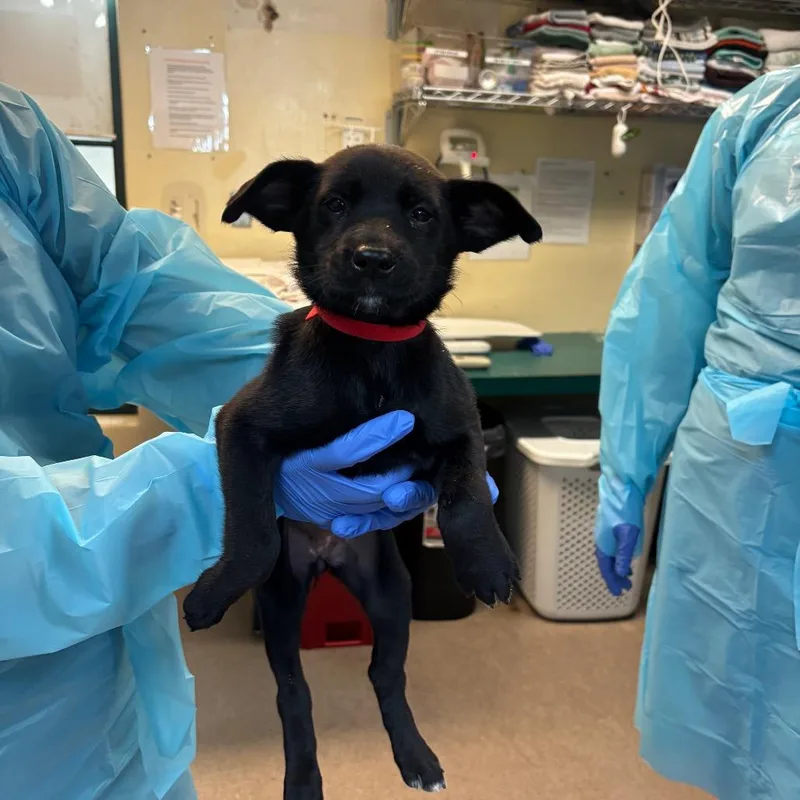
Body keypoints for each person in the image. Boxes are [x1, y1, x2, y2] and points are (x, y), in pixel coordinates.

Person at [0, 83, 445, 799]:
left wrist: (320, 381)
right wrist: (217, 486)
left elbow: (140, 281)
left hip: (108, 690)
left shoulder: (9, 133)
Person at [595, 68, 800, 799]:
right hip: (744, 466)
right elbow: (671, 296)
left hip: (747, 442)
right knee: (742, 689)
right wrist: (625, 477)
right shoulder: (767, 113)